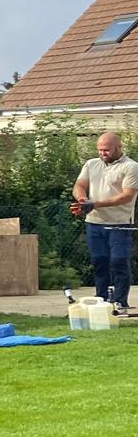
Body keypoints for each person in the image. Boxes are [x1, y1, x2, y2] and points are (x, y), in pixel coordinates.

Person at [71, 131, 138, 313]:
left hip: (120, 223)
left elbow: (127, 196)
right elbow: (79, 185)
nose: (102, 153)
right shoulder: (91, 164)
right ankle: (102, 300)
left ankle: (120, 301)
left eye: (107, 150)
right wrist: (83, 201)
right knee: (99, 261)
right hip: (94, 222)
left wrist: (95, 204)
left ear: (119, 147)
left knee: (118, 261)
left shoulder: (131, 167)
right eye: (100, 150)